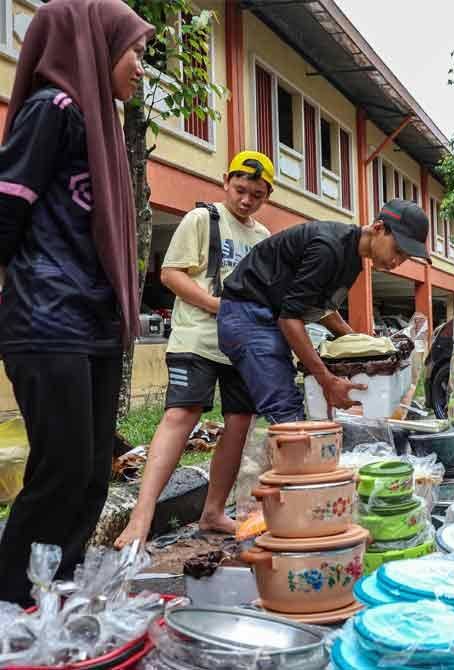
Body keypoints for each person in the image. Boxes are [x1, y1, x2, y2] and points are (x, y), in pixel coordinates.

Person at [0, 0, 153, 606]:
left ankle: (55, 595)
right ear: (93, 44)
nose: (141, 66)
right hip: (47, 318)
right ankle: (11, 602)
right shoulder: (52, 109)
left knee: (91, 474)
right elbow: (6, 209)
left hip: (91, 322)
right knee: (60, 470)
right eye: (134, 50)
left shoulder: (101, 122)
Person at [114, 151, 274, 549]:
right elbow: (170, 274)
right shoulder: (202, 219)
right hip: (197, 339)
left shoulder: (264, 238)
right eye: (240, 190)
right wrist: (220, 306)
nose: (246, 200)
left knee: (239, 424)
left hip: (242, 346)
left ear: (266, 196)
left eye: (256, 194)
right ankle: (141, 515)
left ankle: (213, 510)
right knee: (180, 415)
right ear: (225, 182)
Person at [217, 199, 431, 425]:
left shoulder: (353, 256)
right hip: (248, 314)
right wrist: (327, 380)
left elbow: (322, 308)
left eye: (405, 257)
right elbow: (290, 318)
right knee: (287, 412)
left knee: (239, 422)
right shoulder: (329, 248)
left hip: (260, 315)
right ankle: (304, 458)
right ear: (378, 228)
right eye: (397, 250)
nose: (398, 261)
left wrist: (364, 346)